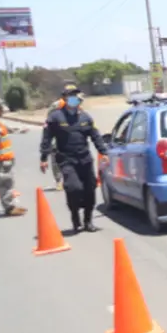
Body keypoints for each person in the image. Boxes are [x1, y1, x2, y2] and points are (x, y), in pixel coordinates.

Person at [39, 84, 109, 232]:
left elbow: (95, 136)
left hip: (84, 158)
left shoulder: (85, 117)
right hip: (66, 159)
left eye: (76, 95)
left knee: (90, 189)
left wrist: (104, 153)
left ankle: (88, 221)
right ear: (64, 98)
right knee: (74, 188)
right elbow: (47, 138)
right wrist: (44, 158)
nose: (74, 98)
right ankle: (75, 216)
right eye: (71, 95)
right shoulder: (55, 117)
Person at [0, 98, 29, 216]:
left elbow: (6, 129)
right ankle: (9, 208)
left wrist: (21, 130)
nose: (3, 111)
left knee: (8, 182)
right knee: (6, 183)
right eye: (2, 109)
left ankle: (10, 205)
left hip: (4, 158)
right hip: (1, 159)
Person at [43, 82, 80, 191]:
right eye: (71, 94)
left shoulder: (76, 104)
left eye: (74, 94)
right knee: (56, 159)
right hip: (58, 135)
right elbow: (50, 120)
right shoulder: (57, 105)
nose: (73, 96)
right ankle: (59, 181)